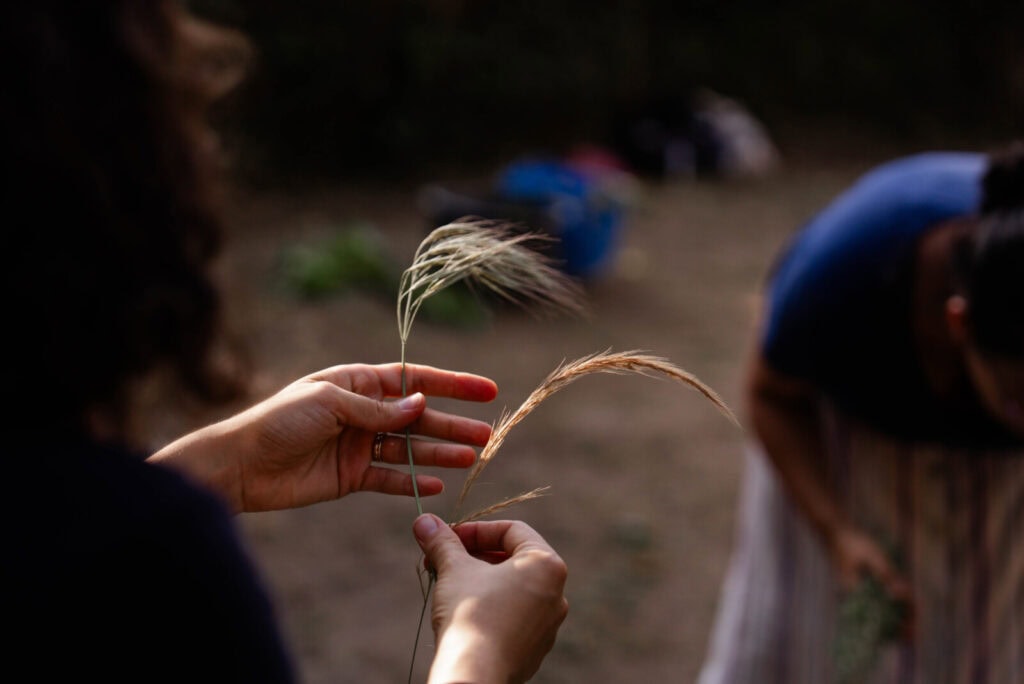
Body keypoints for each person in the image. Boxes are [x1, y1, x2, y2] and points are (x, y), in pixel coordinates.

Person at [1, 2, 568, 682]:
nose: (211, 154)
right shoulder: (156, 560)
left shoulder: (78, 526)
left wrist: (230, 466)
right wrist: (483, 652)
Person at [698, 143, 1024, 684]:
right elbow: (773, 397)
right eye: (1018, 400)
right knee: (803, 645)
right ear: (959, 324)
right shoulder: (846, 272)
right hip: (842, 445)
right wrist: (838, 532)